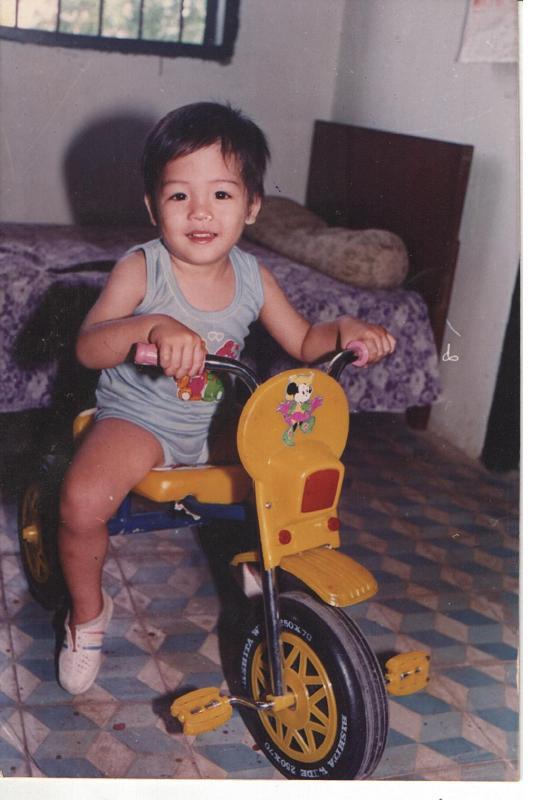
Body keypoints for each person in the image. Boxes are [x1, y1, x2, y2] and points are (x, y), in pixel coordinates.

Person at [57, 101, 396, 694]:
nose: (200, 211)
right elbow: (88, 347)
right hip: (140, 418)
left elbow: (305, 342)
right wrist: (151, 325)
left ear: (252, 206)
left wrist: (345, 329)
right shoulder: (141, 269)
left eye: (220, 193)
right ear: (153, 206)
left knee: (290, 470)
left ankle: (263, 565)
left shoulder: (254, 277)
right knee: (82, 503)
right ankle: (87, 615)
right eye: (179, 195)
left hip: (219, 422)